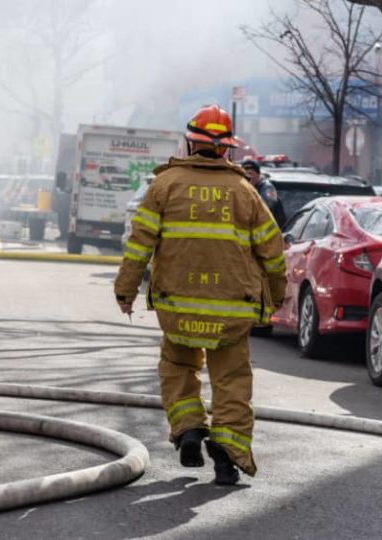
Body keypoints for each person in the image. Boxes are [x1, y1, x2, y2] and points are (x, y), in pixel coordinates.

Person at [114, 104, 287, 485]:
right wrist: (277, 296)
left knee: (178, 368)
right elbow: (272, 252)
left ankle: (190, 428)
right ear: (227, 149)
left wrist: (125, 291)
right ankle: (227, 457)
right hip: (232, 310)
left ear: (190, 144)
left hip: (177, 307)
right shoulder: (245, 192)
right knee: (232, 381)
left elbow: (139, 244)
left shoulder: (164, 186)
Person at [242, 159, 287, 227]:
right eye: (245, 174)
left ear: (258, 174)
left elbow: (265, 208)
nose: (248, 177)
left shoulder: (267, 188)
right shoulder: (245, 188)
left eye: (251, 173)